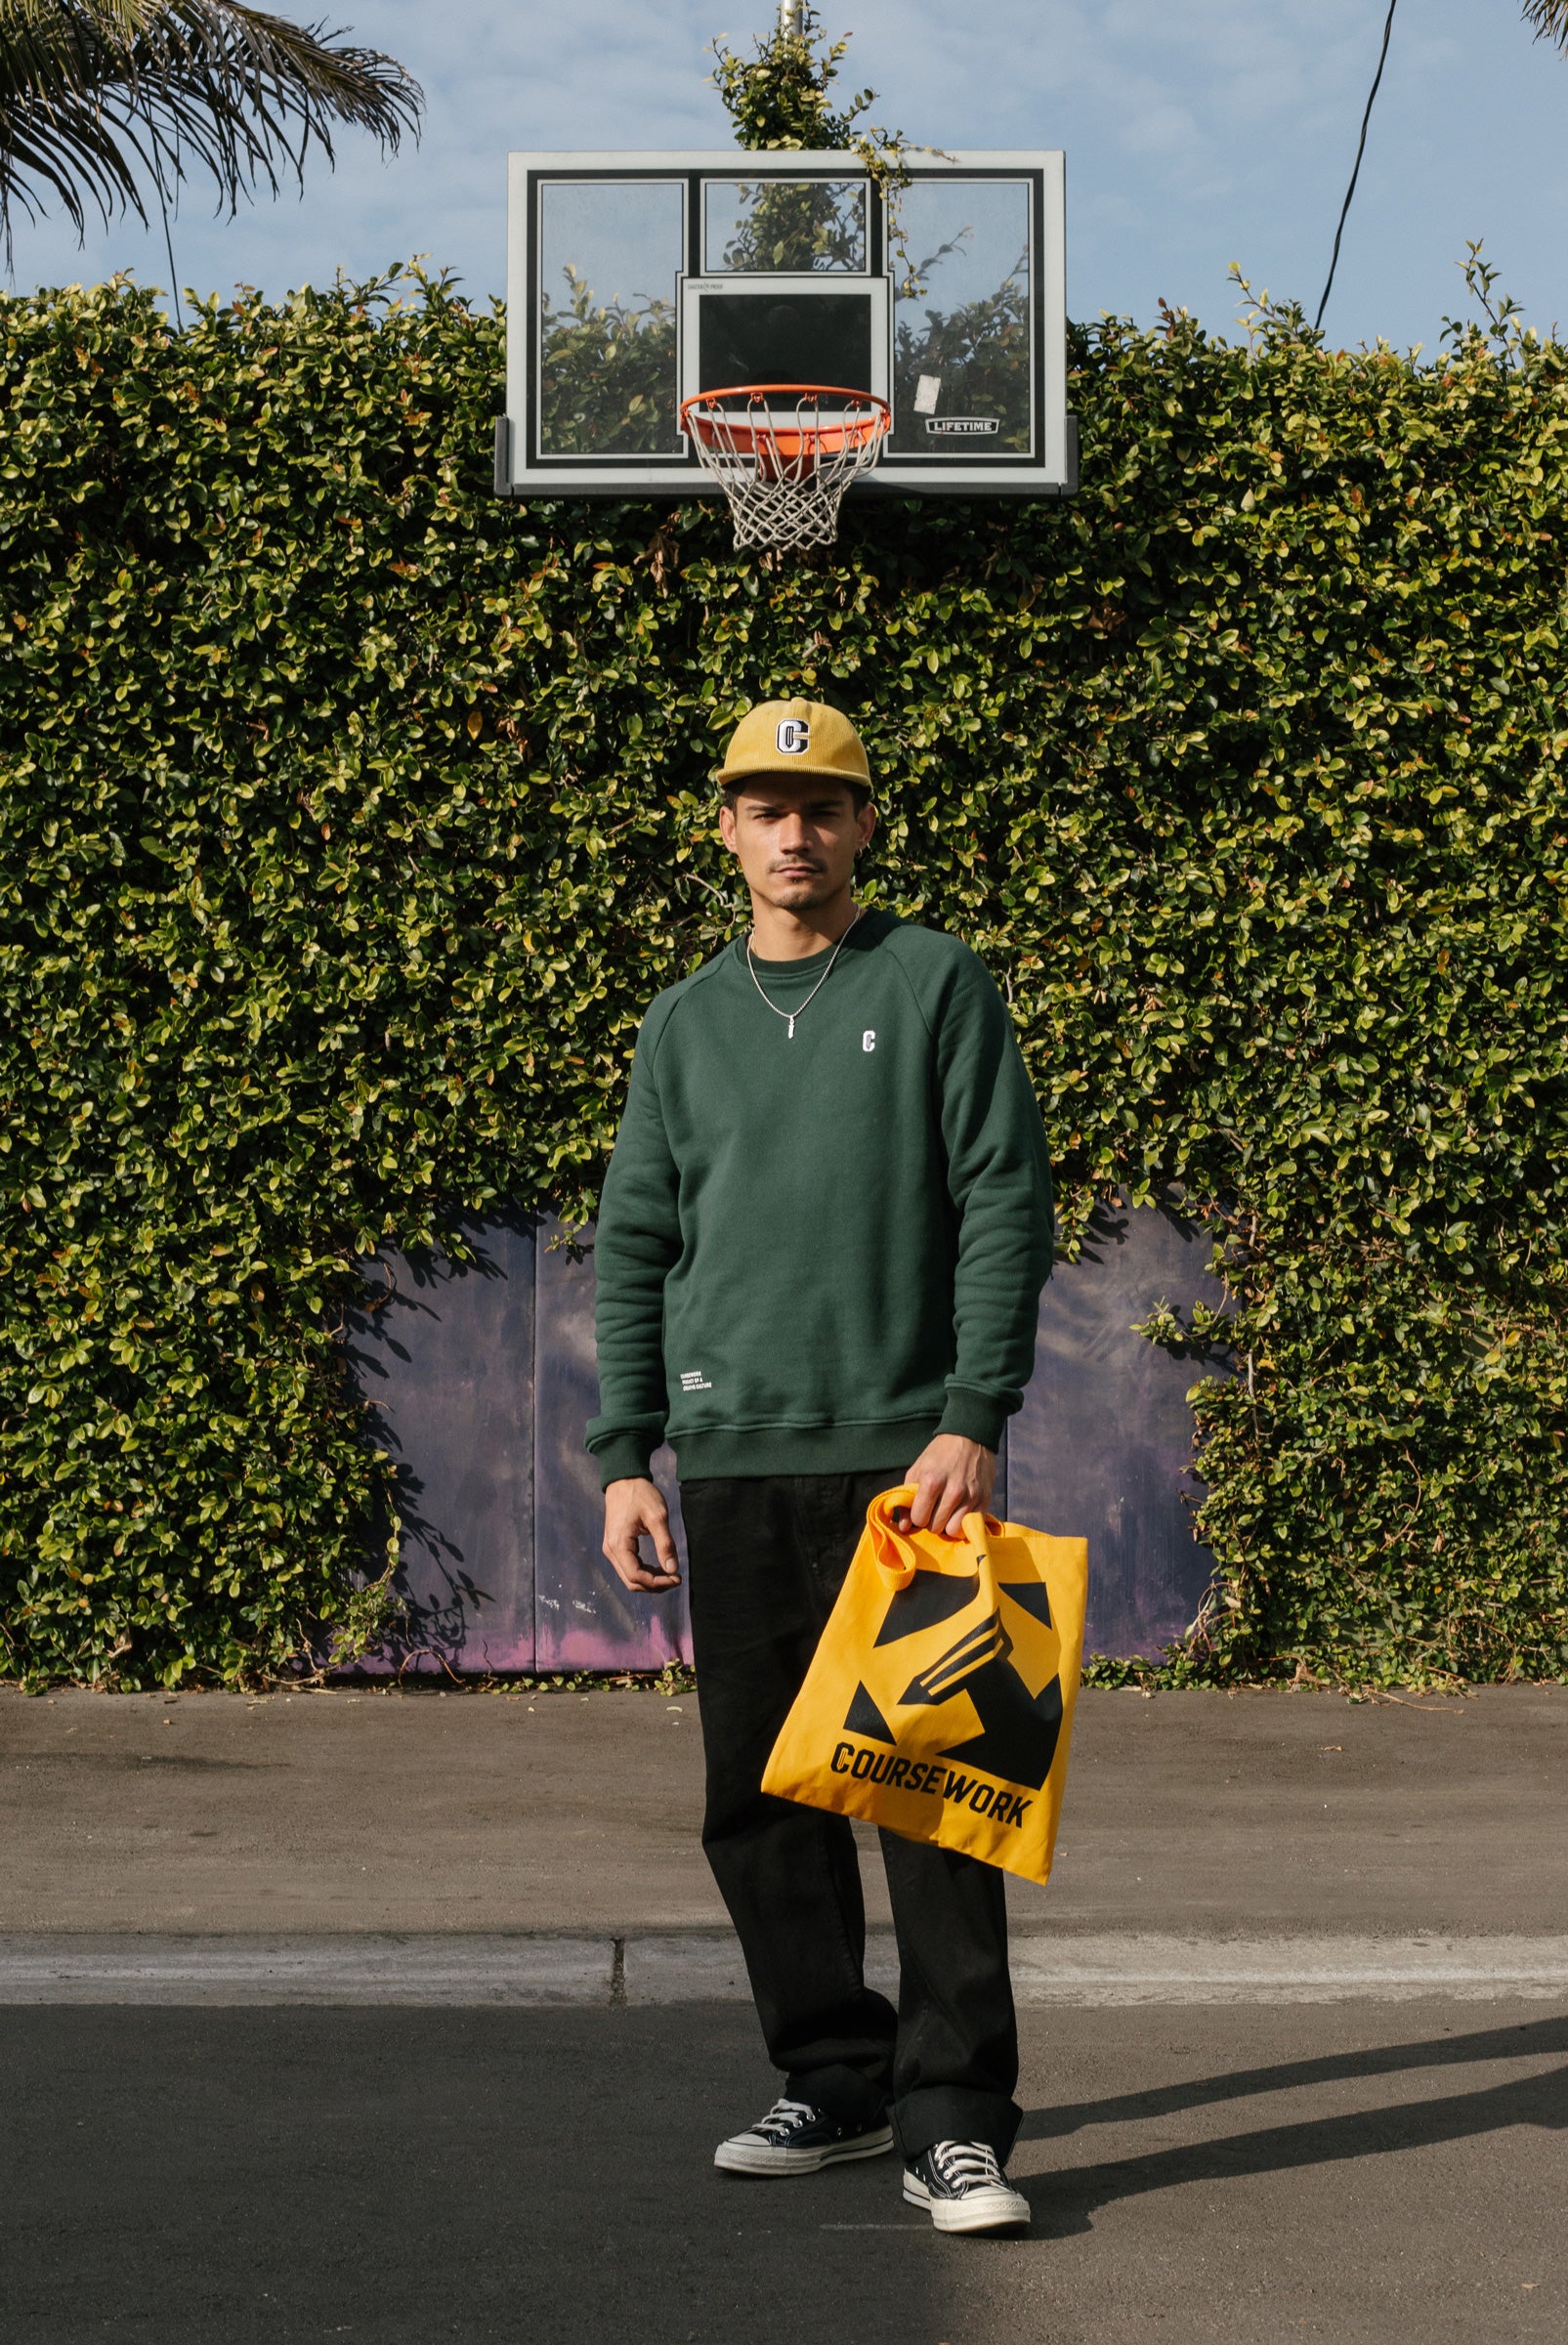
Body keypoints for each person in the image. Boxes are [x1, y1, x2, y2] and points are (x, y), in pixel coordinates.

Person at [586, 696, 1054, 2236]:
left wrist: (969, 1413)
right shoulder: (681, 1022)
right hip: (725, 1460)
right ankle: (837, 2081)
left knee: (933, 1801)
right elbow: (639, 1239)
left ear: (863, 827)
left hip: (904, 1468)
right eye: (763, 806)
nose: (794, 833)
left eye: (823, 806)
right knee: (760, 1798)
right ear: (722, 827)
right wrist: (625, 1452)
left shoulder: (929, 982)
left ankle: (955, 2120)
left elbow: (1000, 1197)